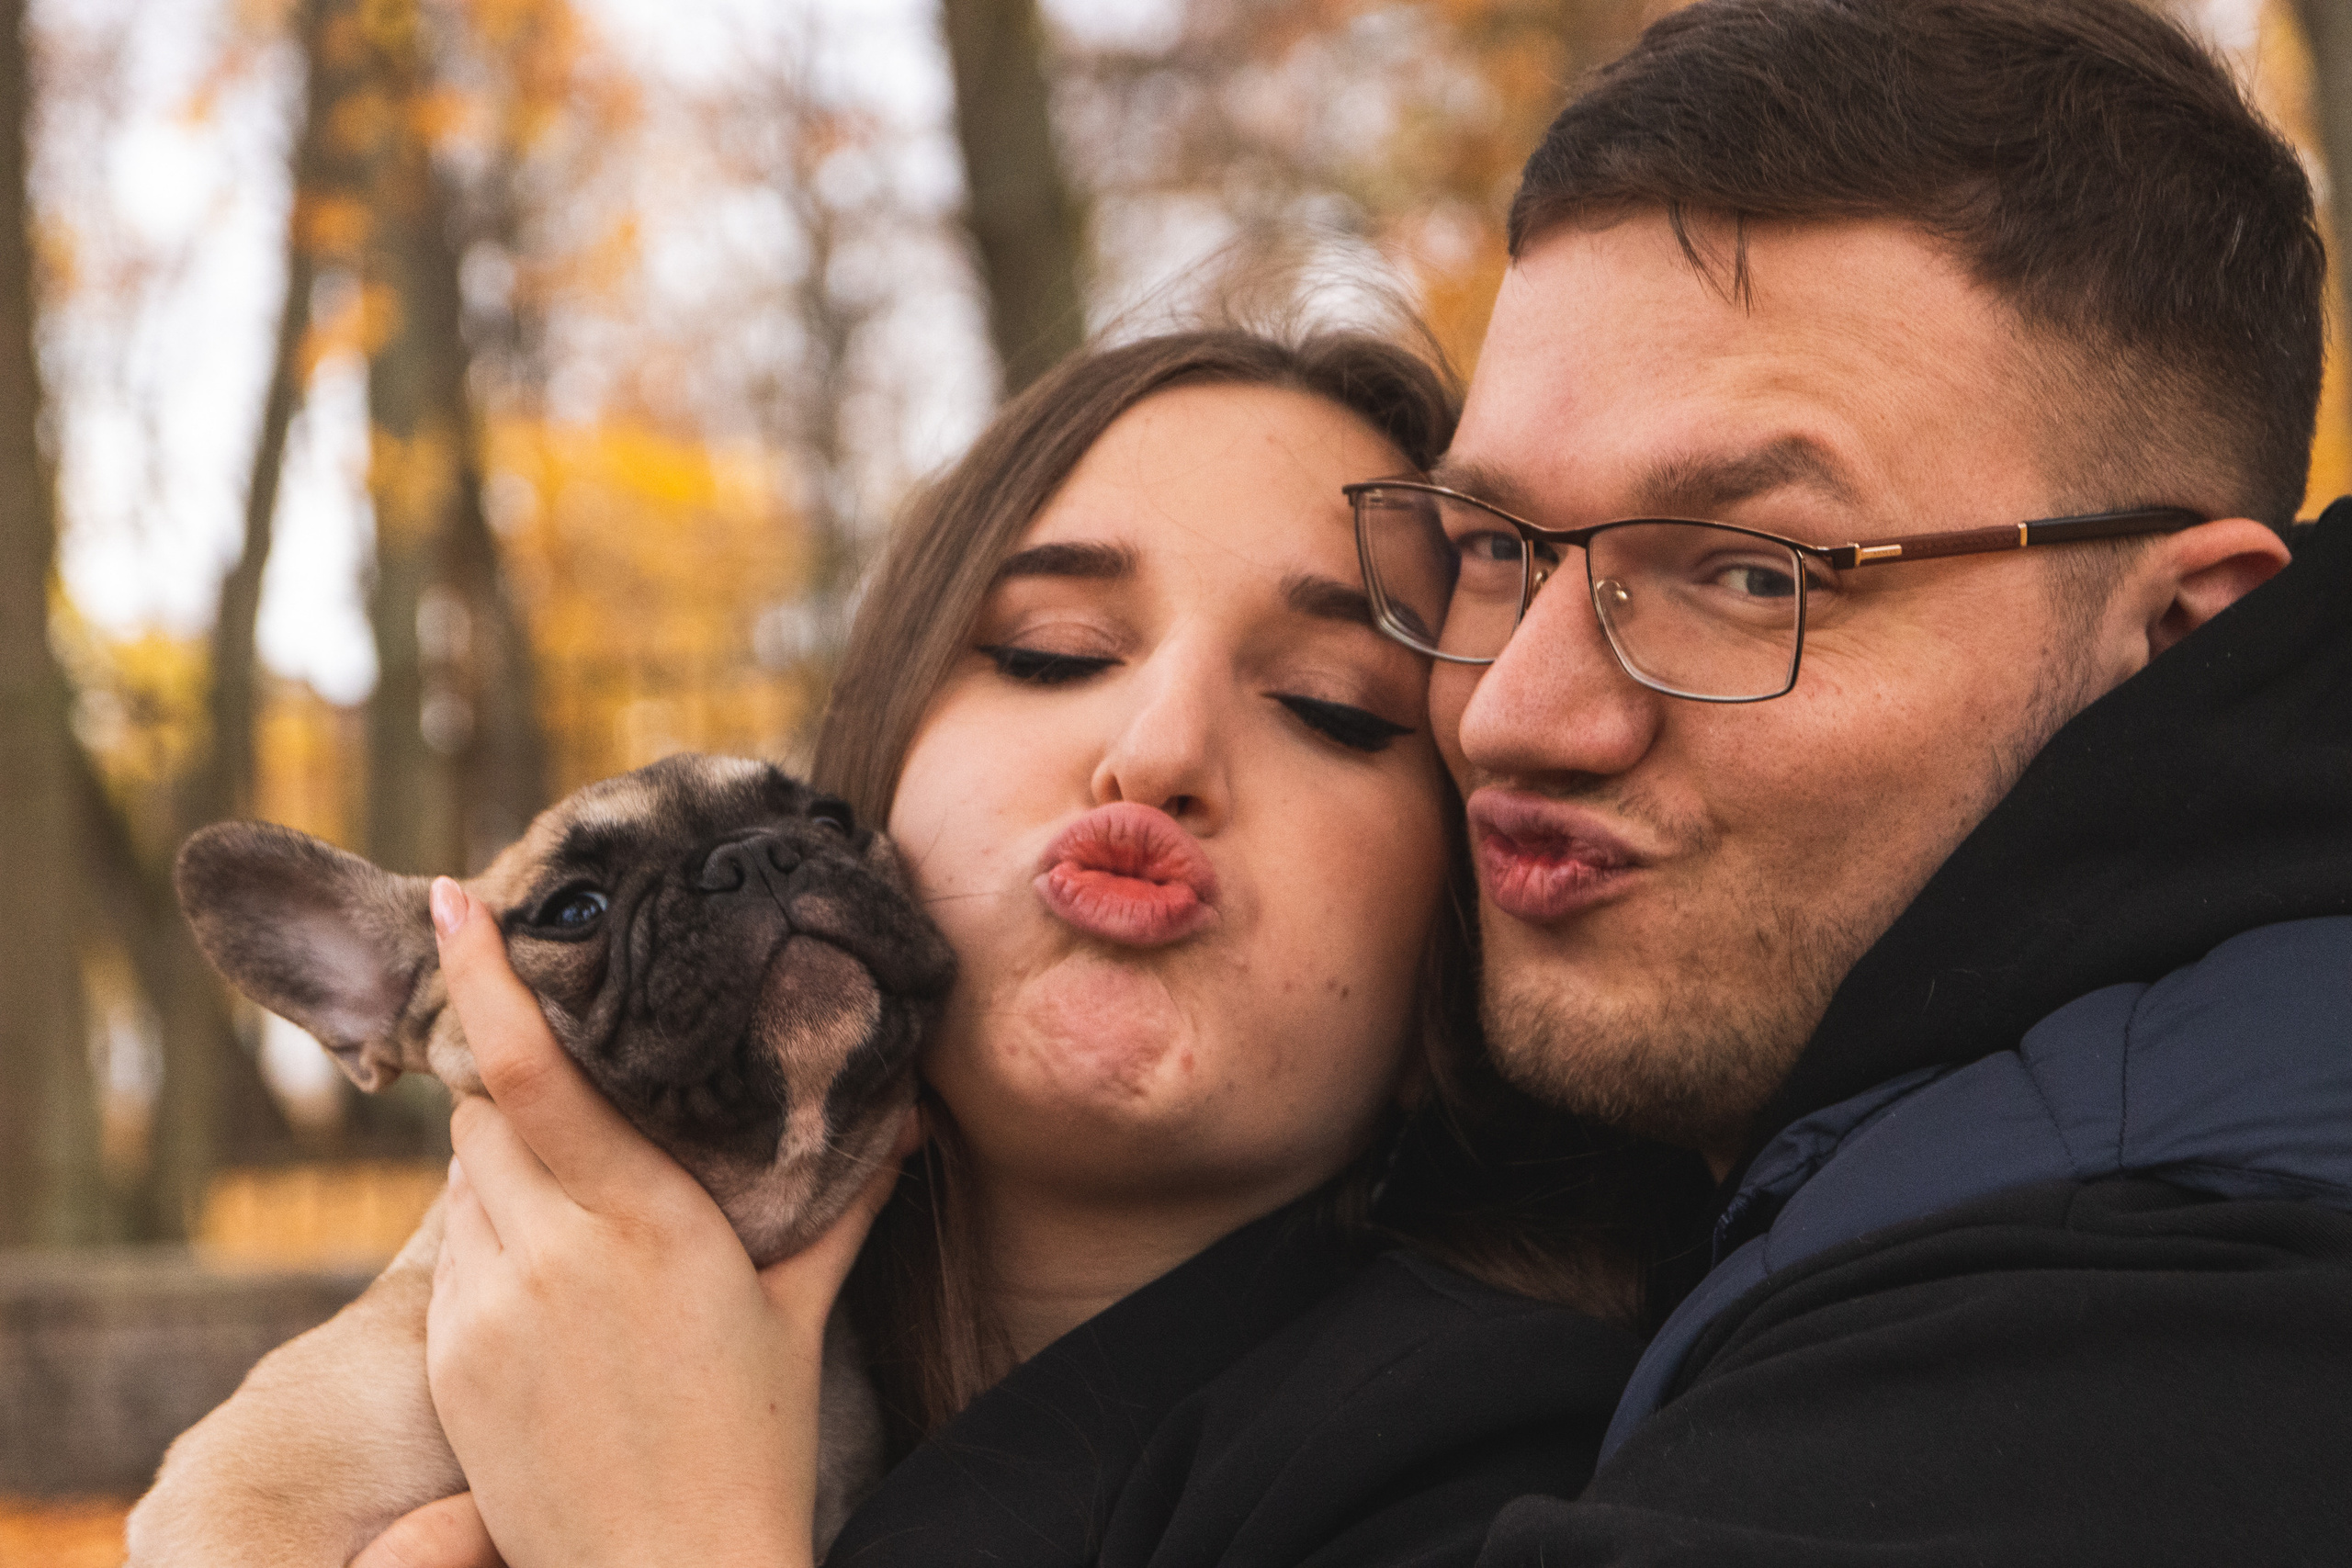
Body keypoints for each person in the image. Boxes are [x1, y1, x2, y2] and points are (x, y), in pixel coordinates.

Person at [352, 328, 1685, 1568]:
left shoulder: (1521, 1478)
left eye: (1330, 708)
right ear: (869, 781)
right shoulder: (510, 1349)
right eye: (1051, 653)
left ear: (1455, 954)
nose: (1160, 748)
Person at [1340, 0, 2352, 1561]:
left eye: (1751, 575)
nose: (1513, 717)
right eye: (1497, 549)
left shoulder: (2153, 1321)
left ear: (2175, 632)